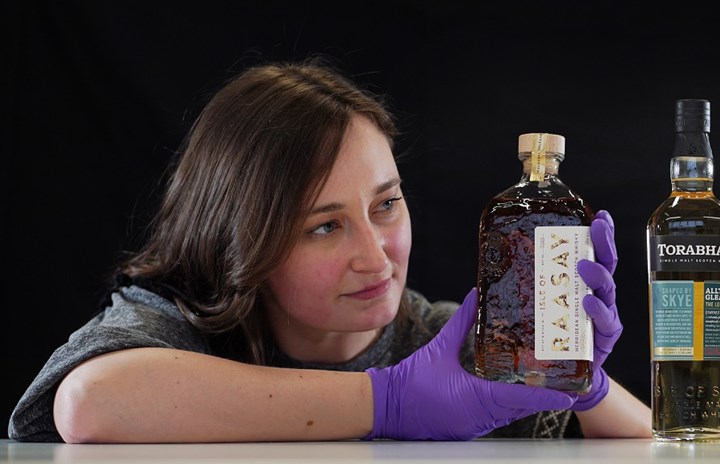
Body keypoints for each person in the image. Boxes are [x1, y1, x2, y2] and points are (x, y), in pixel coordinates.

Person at [8, 57, 652, 443]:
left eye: (386, 204)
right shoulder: (176, 326)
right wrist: (391, 401)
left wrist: (582, 387)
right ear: (242, 239)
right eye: (324, 226)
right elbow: (90, 403)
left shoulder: (445, 345)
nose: (376, 257)